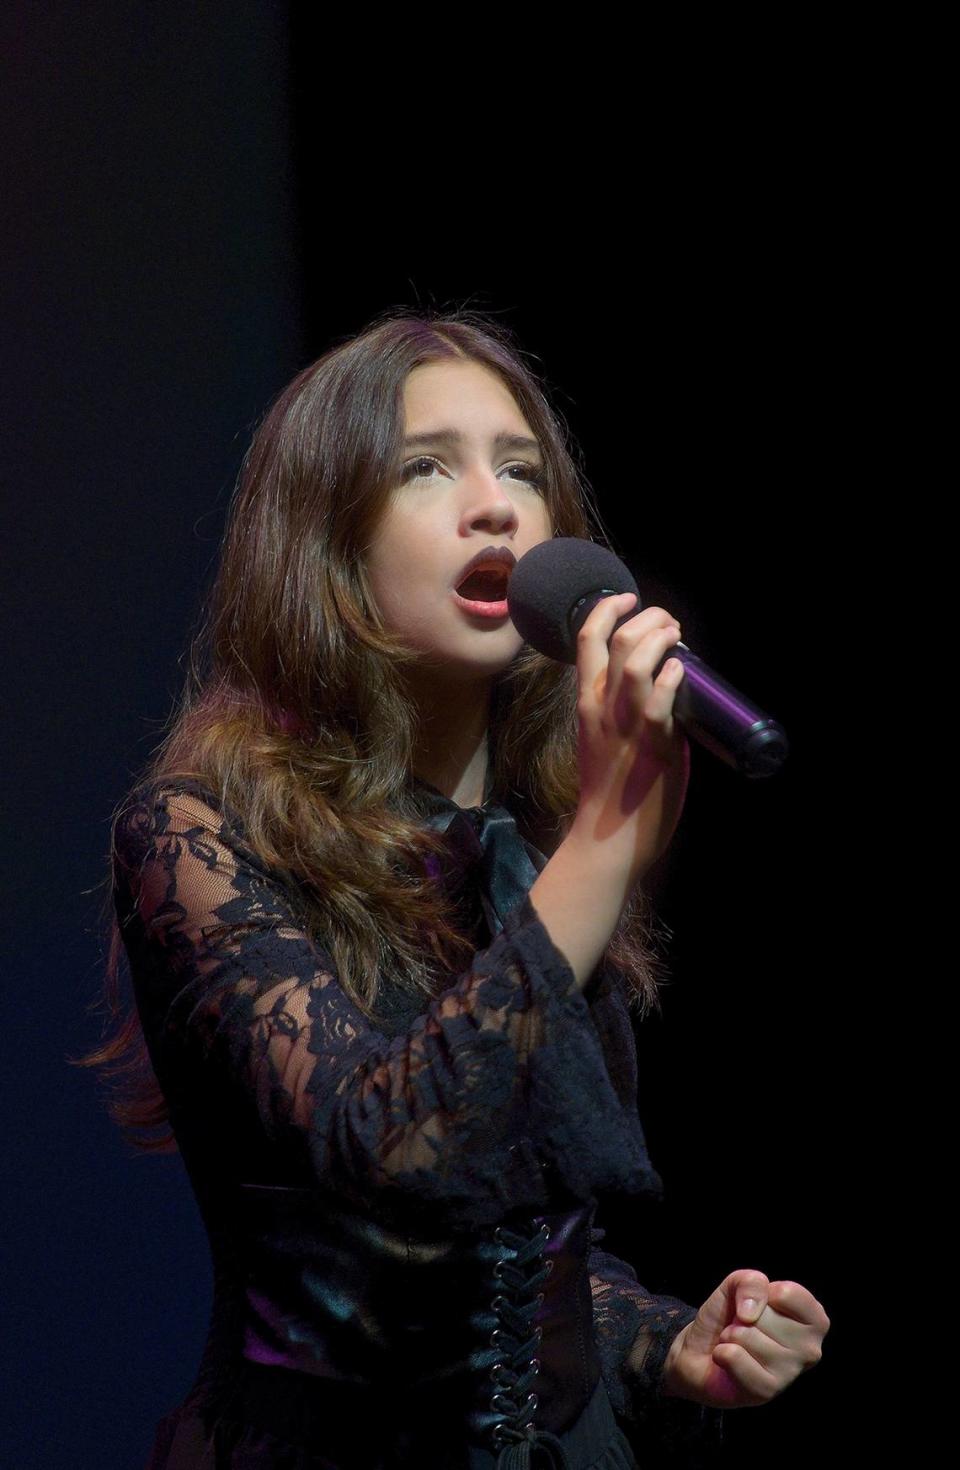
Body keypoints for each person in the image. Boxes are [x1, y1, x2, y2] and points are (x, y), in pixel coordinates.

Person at [83, 309, 829, 1469]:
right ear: (326, 536)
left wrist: (667, 1344)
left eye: (522, 470)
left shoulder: (530, 846)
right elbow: (385, 1175)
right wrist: (602, 843)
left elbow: (518, 1250)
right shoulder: (192, 834)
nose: (496, 506)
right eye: (425, 467)